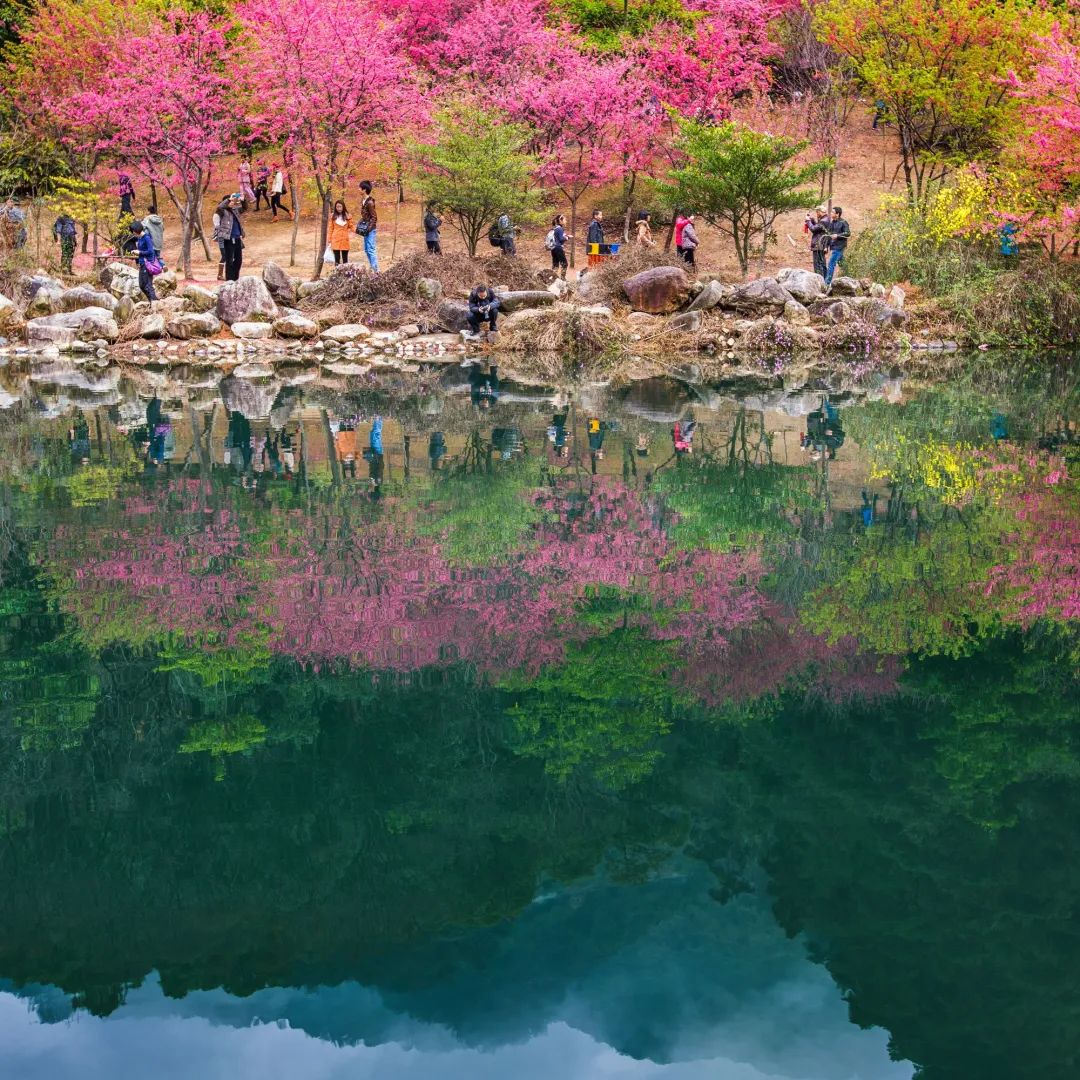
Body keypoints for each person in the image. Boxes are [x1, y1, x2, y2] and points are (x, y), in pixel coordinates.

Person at [212, 193, 245, 282]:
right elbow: (220, 207)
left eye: (232, 202)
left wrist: (242, 199)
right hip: (228, 239)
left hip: (237, 238)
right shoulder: (222, 211)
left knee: (238, 260)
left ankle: (235, 278)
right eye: (230, 202)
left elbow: (244, 207)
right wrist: (228, 199)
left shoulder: (235, 210)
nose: (232, 203)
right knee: (229, 261)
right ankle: (229, 280)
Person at [130, 221, 159, 301]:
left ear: (137, 230)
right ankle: (152, 301)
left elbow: (151, 252)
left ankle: (155, 302)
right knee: (142, 285)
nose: (133, 233)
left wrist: (139, 252)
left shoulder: (147, 238)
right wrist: (137, 257)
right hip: (142, 264)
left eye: (133, 231)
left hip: (148, 264)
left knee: (148, 285)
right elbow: (141, 251)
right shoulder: (139, 238)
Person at [825, 206, 850, 286]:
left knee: (831, 263)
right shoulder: (832, 222)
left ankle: (826, 284)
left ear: (837, 214)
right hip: (833, 246)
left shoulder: (843, 222)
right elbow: (829, 235)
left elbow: (847, 233)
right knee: (843, 264)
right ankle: (850, 277)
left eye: (833, 212)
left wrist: (838, 235)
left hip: (839, 247)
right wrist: (826, 246)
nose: (831, 213)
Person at [358, 180, 378, 270]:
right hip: (366, 229)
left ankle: (376, 271)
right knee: (366, 250)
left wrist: (368, 229)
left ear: (364, 190)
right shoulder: (363, 200)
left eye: (360, 188)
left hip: (370, 230)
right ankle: (373, 268)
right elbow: (366, 216)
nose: (358, 189)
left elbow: (374, 217)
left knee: (370, 249)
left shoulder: (370, 202)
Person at [806, 207, 829, 279]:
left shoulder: (823, 221)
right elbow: (819, 229)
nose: (817, 214)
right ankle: (825, 281)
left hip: (818, 245)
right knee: (822, 263)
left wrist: (808, 221)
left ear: (820, 212)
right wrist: (812, 221)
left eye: (817, 212)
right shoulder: (826, 219)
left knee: (818, 264)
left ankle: (820, 281)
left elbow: (813, 229)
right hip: (821, 244)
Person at [327, 199, 353, 265]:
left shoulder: (348, 216)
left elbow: (351, 226)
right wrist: (329, 239)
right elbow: (330, 228)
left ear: (343, 207)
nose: (339, 208)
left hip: (344, 239)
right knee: (337, 259)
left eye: (340, 206)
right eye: (337, 207)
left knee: (345, 259)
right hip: (335, 239)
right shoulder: (333, 216)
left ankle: (345, 274)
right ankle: (337, 274)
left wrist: (360, 231)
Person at [548, 214, 569, 279]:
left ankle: (553, 278)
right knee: (564, 263)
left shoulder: (555, 228)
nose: (566, 221)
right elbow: (561, 239)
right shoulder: (560, 229)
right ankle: (563, 278)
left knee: (555, 264)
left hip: (553, 248)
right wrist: (567, 238)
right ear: (560, 220)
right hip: (558, 248)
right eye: (565, 220)